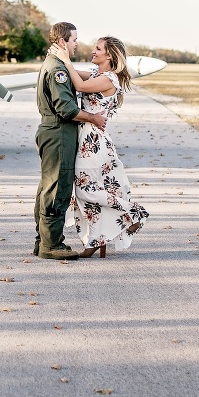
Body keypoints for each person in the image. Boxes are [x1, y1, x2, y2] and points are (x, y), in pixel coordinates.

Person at [49, 35, 148, 257]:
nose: (93, 51)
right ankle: (94, 240)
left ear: (109, 55)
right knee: (87, 191)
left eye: (98, 48)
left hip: (93, 142)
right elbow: (73, 75)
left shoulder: (109, 79)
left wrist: (64, 58)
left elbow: (79, 84)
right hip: (86, 138)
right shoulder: (98, 74)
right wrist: (61, 57)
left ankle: (134, 213)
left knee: (86, 190)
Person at [34, 23, 109, 260]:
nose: (77, 44)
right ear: (62, 42)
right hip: (59, 133)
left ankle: (43, 240)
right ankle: (51, 244)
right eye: (74, 40)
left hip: (53, 130)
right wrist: (93, 118)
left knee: (48, 187)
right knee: (58, 188)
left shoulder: (55, 64)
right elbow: (66, 108)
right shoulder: (58, 69)